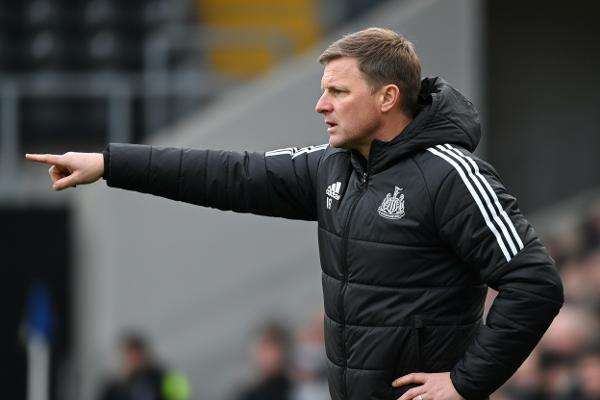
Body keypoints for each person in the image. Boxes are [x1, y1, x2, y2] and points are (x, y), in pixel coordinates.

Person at [26, 28, 563, 400]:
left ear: (387, 98)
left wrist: (465, 383)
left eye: (337, 91)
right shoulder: (333, 167)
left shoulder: (451, 175)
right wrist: (109, 164)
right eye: (322, 91)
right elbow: (229, 173)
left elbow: (534, 283)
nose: (320, 105)